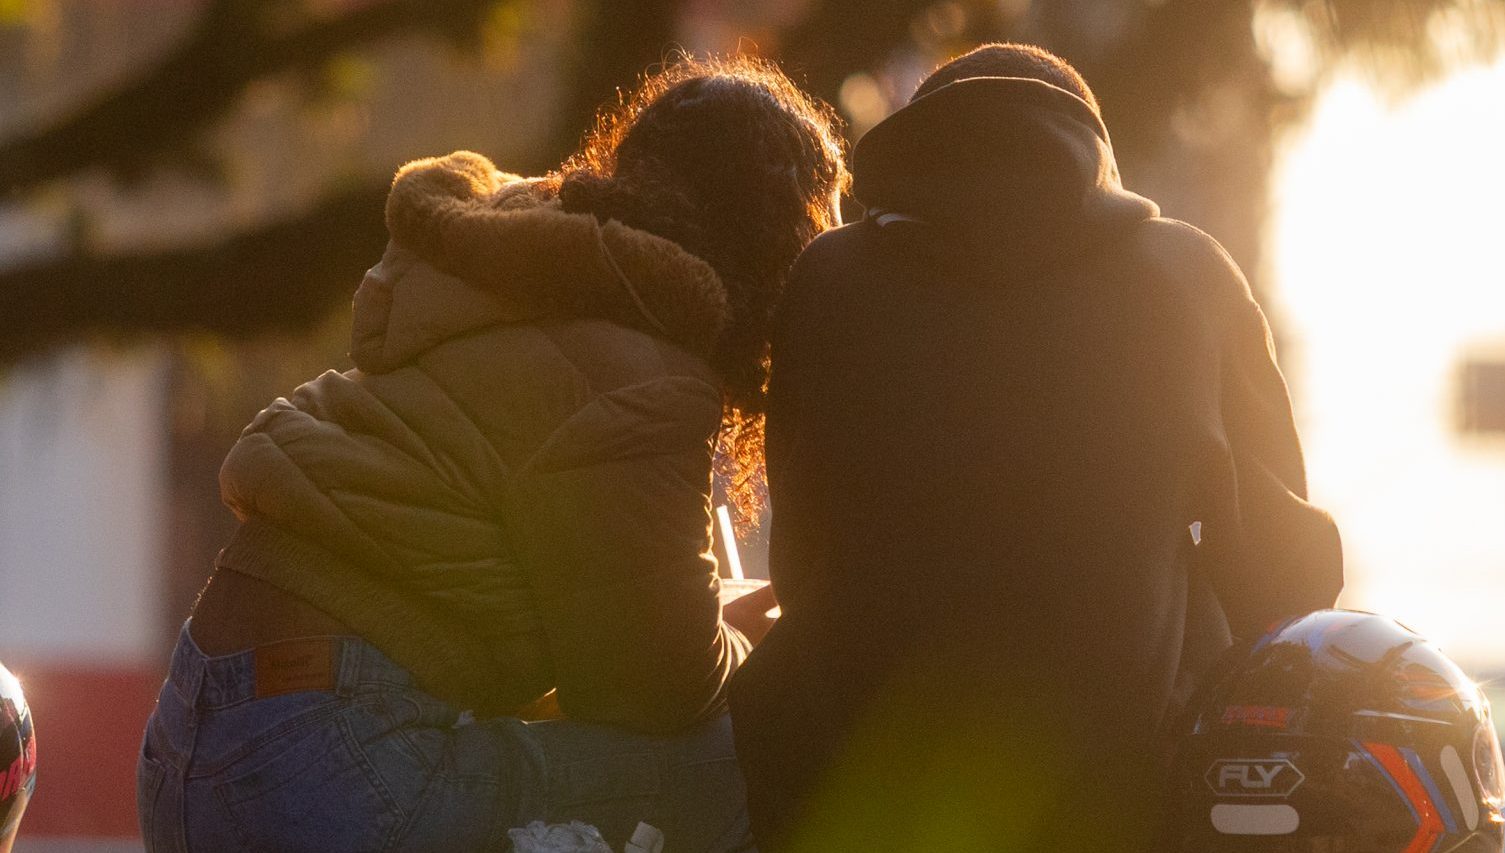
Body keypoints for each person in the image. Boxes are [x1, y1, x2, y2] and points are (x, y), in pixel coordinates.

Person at [136, 56, 847, 853]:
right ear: (769, 250)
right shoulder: (644, 364)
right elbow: (652, 692)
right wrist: (766, 647)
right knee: (746, 761)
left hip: (195, 745)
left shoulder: (536, 277)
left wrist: (709, 616)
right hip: (327, 768)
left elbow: (595, 605)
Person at [729, 44, 1343, 852]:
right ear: (1096, 160)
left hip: (845, 782)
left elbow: (801, 560)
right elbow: (1283, 578)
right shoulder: (1186, 275)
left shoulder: (827, 278)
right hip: (1109, 794)